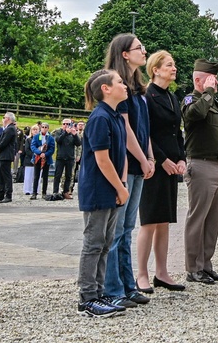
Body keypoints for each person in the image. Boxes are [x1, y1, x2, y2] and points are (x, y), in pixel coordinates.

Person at [102, 34, 154, 308]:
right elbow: (126, 130)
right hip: (126, 164)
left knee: (128, 227)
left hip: (139, 163)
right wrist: (142, 159)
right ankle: (113, 288)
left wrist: (151, 156)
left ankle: (127, 284)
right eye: (138, 48)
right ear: (124, 54)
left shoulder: (137, 88)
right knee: (117, 228)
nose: (144, 51)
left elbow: (144, 128)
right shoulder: (117, 85)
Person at [77, 69, 131, 318]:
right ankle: (87, 297)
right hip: (99, 190)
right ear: (106, 89)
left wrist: (121, 185)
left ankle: (99, 292)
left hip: (112, 189)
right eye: (120, 82)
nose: (125, 85)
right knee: (94, 243)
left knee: (105, 243)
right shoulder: (100, 118)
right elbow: (102, 159)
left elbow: (119, 156)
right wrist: (120, 187)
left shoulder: (116, 116)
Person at [137, 51, 186, 292]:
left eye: (174, 65)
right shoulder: (147, 96)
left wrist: (181, 158)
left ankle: (162, 272)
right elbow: (145, 132)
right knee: (149, 221)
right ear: (155, 69)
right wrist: (162, 159)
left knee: (164, 221)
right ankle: (142, 274)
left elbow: (177, 132)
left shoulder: (173, 97)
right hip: (152, 166)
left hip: (170, 167)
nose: (174, 68)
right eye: (169, 65)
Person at [182, 59, 218, 285]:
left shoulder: (214, 102)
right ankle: (193, 267)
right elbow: (196, 114)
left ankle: (206, 264)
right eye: (212, 79)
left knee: (213, 220)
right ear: (198, 79)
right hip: (200, 165)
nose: (216, 83)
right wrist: (207, 91)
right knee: (198, 218)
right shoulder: (192, 99)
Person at [0, 112, 18, 203]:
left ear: (8, 119)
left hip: (5, 155)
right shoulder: (7, 129)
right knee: (1, 176)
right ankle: (1, 194)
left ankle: (8, 195)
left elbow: (4, 142)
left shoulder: (10, 129)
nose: (3, 119)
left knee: (6, 176)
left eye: (4, 117)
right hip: (2, 155)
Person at [54, 119, 82, 200]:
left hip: (70, 157)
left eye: (68, 124)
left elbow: (78, 143)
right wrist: (66, 132)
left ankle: (66, 191)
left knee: (69, 175)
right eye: (64, 123)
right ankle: (55, 191)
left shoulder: (73, 133)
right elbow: (58, 140)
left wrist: (74, 135)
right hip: (60, 157)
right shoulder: (59, 132)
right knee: (57, 175)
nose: (66, 125)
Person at [30, 122, 55, 200]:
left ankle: (44, 192)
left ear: (48, 128)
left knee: (45, 176)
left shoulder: (50, 138)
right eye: (43, 127)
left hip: (46, 158)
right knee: (36, 176)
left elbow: (52, 148)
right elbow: (33, 146)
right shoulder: (36, 136)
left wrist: (46, 154)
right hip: (38, 157)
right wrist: (39, 153)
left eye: (45, 127)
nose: (44, 128)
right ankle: (34, 193)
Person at [22, 126, 37, 194]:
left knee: (37, 176)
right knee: (28, 176)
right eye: (34, 129)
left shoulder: (41, 139)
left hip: (39, 159)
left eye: (36, 129)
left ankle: (35, 189)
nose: (35, 131)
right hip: (29, 159)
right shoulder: (28, 139)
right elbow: (27, 150)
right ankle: (27, 189)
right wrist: (34, 155)